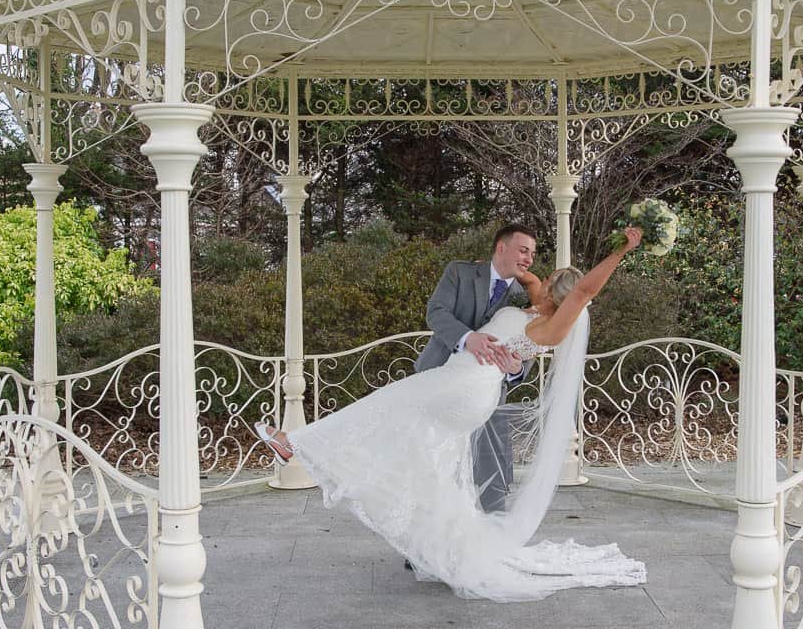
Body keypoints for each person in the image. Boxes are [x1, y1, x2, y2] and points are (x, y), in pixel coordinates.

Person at [257, 227, 647, 602]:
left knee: (384, 405)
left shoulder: (553, 325)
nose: (536, 275)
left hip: (467, 385)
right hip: (460, 380)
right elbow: (526, 276)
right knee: (434, 464)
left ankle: (294, 445)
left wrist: (620, 251)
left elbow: (584, 290)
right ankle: (446, 550)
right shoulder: (533, 303)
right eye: (527, 257)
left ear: (559, 295)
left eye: (548, 279)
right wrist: (503, 263)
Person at [416, 223, 538, 514]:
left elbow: (530, 342)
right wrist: (467, 338)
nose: (529, 259)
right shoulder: (460, 272)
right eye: (523, 250)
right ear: (501, 247)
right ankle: (424, 543)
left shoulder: (529, 296)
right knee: (434, 463)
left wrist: (516, 367)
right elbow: (436, 312)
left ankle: (486, 538)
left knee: (487, 466)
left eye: (532, 254)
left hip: (488, 392)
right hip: (437, 379)